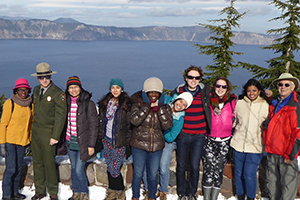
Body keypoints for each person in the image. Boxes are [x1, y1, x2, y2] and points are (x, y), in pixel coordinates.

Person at [172, 65, 211, 200]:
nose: (193, 80)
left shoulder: (205, 92)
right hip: (183, 134)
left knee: (195, 166)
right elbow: (169, 104)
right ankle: (182, 193)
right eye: (190, 77)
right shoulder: (178, 91)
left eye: (197, 77)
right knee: (181, 165)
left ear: (200, 79)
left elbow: (220, 99)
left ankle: (192, 193)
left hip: (199, 135)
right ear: (185, 78)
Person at [130, 77, 173, 200]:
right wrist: (147, 106)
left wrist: (159, 109)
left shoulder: (165, 107)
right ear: (146, 93)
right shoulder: (138, 104)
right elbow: (134, 121)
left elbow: (167, 125)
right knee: (138, 174)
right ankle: (135, 196)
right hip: (139, 145)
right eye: (150, 92)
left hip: (156, 146)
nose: (153, 95)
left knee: (153, 174)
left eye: (156, 92)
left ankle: (152, 197)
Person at [30, 63, 67, 200]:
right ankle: (40, 190)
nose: (44, 80)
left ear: (50, 76)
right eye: (41, 77)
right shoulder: (35, 90)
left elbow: (60, 116)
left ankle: (52, 192)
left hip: (49, 133)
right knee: (37, 162)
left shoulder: (58, 93)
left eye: (47, 76)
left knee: (49, 163)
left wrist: (55, 136)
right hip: (36, 132)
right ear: (38, 78)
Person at [230, 78, 270, 200]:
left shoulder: (265, 105)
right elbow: (234, 121)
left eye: (254, 90)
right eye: (249, 91)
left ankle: (251, 197)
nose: (251, 93)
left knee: (249, 174)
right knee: (238, 173)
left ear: (259, 91)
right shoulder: (240, 103)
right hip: (239, 143)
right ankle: (240, 195)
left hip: (256, 145)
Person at [263, 73, 300, 200]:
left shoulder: (296, 105)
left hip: (286, 154)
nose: (283, 87)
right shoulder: (275, 103)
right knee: (272, 186)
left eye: (286, 84)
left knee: (287, 188)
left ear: (293, 87)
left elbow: (298, 132)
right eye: (280, 84)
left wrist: (291, 154)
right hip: (272, 151)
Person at [202, 77, 236, 200]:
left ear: (227, 88)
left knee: (218, 171)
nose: (220, 89)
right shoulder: (208, 100)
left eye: (223, 86)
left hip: (225, 141)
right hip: (209, 139)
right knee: (208, 170)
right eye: (218, 86)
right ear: (214, 87)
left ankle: (214, 198)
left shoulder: (232, 101)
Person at [65, 76, 99, 200]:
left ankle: (84, 193)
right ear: (68, 89)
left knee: (79, 169)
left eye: (76, 87)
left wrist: (91, 145)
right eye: (71, 87)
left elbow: (94, 125)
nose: (73, 90)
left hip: (83, 143)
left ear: (80, 87)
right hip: (70, 140)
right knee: (73, 168)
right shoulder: (66, 102)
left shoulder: (88, 104)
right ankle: (76, 193)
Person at [98, 78, 132, 200]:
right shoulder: (106, 103)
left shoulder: (125, 105)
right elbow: (101, 122)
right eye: (113, 88)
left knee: (115, 168)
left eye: (117, 88)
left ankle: (120, 190)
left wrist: (128, 144)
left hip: (119, 142)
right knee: (109, 166)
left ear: (121, 89)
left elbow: (129, 126)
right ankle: (113, 191)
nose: (115, 90)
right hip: (107, 140)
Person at [0, 78, 33, 200]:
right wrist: (2, 144)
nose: (23, 92)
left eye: (25, 90)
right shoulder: (10, 103)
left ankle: (15, 192)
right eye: (20, 90)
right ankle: (7, 194)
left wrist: (28, 142)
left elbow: (29, 126)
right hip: (10, 141)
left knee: (18, 169)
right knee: (11, 168)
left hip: (22, 141)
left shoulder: (30, 105)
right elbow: (3, 124)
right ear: (16, 91)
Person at [159, 92, 193, 200]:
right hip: (154, 139)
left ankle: (163, 190)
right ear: (176, 99)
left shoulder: (179, 119)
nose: (180, 105)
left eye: (184, 105)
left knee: (163, 167)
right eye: (180, 101)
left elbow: (170, 137)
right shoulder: (165, 103)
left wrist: (161, 129)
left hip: (167, 143)